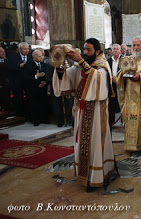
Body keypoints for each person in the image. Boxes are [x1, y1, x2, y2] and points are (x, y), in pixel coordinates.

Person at [52, 38, 115, 191]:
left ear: (97, 52)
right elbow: (71, 74)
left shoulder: (102, 65)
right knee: (81, 142)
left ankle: (98, 176)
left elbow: (97, 78)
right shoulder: (83, 65)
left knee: (95, 143)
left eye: (89, 50)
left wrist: (81, 61)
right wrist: (60, 67)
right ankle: (84, 173)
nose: (86, 52)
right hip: (82, 110)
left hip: (97, 112)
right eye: (84, 49)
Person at [24, 50, 49, 126]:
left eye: (41, 55)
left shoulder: (44, 65)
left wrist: (45, 82)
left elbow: (47, 75)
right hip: (33, 88)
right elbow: (25, 78)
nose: (41, 57)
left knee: (43, 104)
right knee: (35, 105)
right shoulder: (28, 65)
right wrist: (36, 76)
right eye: (39, 56)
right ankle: (36, 120)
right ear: (34, 58)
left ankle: (44, 118)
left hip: (43, 88)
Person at [7, 42, 32, 117]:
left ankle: (29, 114)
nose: (26, 51)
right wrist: (19, 66)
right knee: (18, 98)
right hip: (17, 81)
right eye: (24, 49)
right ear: (20, 49)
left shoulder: (30, 56)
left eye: (28, 49)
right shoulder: (13, 57)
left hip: (28, 80)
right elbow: (9, 68)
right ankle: (20, 115)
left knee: (29, 97)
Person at [107, 44, 121, 130]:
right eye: (114, 49)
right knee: (111, 104)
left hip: (121, 84)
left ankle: (123, 121)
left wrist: (118, 79)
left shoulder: (124, 60)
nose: (115, 50)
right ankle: (111, 122)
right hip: (111, 85)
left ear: (120, 51)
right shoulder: (108, 61)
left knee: (122, 102)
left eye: (117, 49)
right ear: (111, 51)